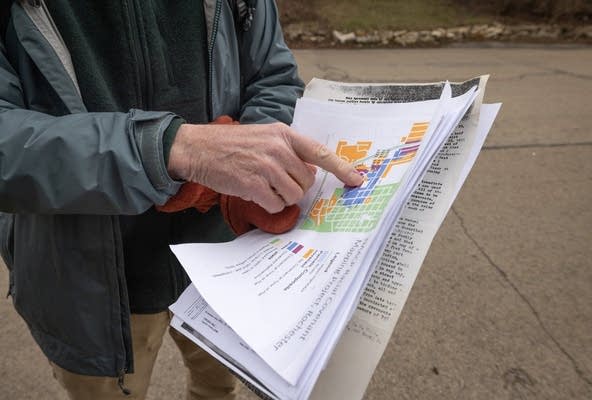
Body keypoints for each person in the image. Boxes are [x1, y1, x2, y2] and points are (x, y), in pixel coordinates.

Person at [0, 1, 362, 399]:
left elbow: (271, 73)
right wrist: (169, 151)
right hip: (89, 284)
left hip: (227, 260)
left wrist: (255, 161)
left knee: (218, 387)